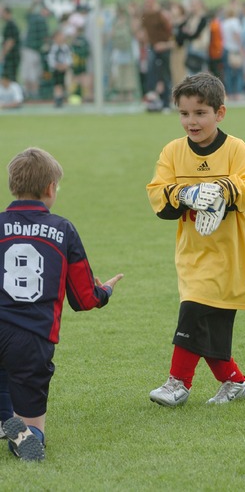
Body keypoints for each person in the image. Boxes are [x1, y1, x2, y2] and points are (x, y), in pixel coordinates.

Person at [146, 72, 245, 408]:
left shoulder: (236, 149)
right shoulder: (172, 152)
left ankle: (177, 384)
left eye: (200, 113)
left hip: (230, 252)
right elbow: (157, 196)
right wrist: (187, 194)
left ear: (219, 113)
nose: (191, 121)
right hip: (192, 252)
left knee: (195, 310)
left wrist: (223, 191)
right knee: (207, 320)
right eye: (184, 114)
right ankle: (234, 381)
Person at [0, 147, 123, 460]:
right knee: (31, 416)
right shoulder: (62, 229)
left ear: (13, 185)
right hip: (32, 336)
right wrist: (105, 292)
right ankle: (29, 437)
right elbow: (83, 299)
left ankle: (5, 421)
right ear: (50, 189)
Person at [20, 0, 50, 100]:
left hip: (30, 50)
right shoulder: (40, 19)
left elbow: (28, 13)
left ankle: (29, 94)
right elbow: (45, 38)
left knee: (29, 73)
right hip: (31, 50)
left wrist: (34, 3)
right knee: (32, 74)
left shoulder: (34, 18)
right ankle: (33, 94)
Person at [48, 30, 72, 107]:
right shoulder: (53, 48)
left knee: (65, 83)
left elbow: (69, 58)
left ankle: (63, 97)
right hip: (56, 70)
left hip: (65, 69)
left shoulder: (65, 48)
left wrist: (66, 65)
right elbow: (50, 59)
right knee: (57, 84)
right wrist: (57, 65)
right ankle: (58, 99)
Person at [0, 6, 21, 81]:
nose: (1, 15)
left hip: (12, 57)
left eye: (2, 13)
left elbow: (10, 42)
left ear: (7, 13)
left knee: (9, 78)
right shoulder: (10, 24)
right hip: (12, 57)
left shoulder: (11, 25)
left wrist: (2, 55)